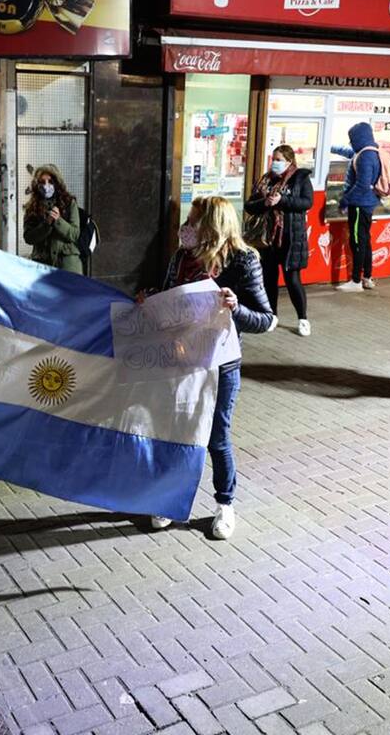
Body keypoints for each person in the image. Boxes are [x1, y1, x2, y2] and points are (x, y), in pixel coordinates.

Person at [148, 196, 276, 540]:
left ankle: (225, 505)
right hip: (181, 359)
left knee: (216, 437)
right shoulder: (181, 257)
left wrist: (236, 308)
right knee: (177, 431)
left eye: (193, 221)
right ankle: (168, 500)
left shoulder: (243, 260)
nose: (185, 228)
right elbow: (168, 298)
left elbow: (266, 320)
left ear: (212, 226)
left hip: (221, 364)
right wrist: (149, 299)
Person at [244, 144, 314, 336]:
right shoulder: (266, 180)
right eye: (273, 159)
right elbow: (249, 205)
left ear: (289, 161)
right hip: (267, 239)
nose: (274, 163)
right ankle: (272, 316)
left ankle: (303, 319)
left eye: (278, 160)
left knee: (292, 279)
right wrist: (264, 203)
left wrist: (281, 201)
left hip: (291, 237)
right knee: (269, 279)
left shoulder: (300, 178)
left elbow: (307, 202)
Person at [332, 123, 382, 292]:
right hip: (366, 203)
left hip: (360, 204)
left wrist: (344, 201)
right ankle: (367, 277)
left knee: (357, 242)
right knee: (365, 240)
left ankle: (355, 281)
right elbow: (349, 153)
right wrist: (328, 146)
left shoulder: (366, 156)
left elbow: (362, 184)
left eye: (352, 139)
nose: (351, 142)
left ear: (359, 138)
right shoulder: (367, 152)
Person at [22, 164, 81, 273]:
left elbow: (74, 234)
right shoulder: (31, 208)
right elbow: (28, 238)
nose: (46, 186)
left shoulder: (69, 203)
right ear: (37, 185)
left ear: (57, 183)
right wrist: (46, 224)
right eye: (42, 182)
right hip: (42, 267)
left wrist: (58, 220)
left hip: (67, 266)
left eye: (50, 181)